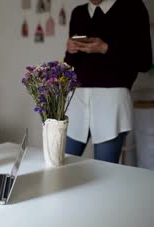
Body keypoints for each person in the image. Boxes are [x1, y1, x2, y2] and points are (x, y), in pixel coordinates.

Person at [64, 0, 152, 163]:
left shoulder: (133, 7)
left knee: (104, 170)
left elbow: (145, 61)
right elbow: (71, 64)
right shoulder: (79, 12)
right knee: (60, 164)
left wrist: (105, 48)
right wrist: (70, 50)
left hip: (112, 100)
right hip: (76, 99)